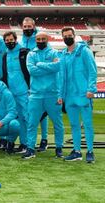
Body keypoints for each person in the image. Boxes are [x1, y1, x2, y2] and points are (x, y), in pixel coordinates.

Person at [23, 32, 64, 159]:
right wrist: (49, 68)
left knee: (57, 123)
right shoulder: (31, 54)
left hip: (52, 94)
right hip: (35, 94)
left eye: (43, 39)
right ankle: (30, 148)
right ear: (36, 40)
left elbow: (58, 66)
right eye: (38, 39)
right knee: (32, 123)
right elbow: (32, 71)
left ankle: (59, 148)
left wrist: (40, 65)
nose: (40, 41)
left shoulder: (54, 53)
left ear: (47, 40)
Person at [59, 27, 97, 163]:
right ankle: (77, 151)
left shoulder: (84, 51)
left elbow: (92, 71)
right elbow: (62, 77)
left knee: (87, 124)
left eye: (70, 35)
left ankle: (90, 151)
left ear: (74, 36)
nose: (67, 38)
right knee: (74, 125)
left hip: (83, 94)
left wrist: (91, 89)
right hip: (69, 96)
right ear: (62, 37)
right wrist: (61, 95)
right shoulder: (63, 54)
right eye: (65, 36)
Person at [20, 17, 49, 152]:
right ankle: (28, 141)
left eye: (29, 26)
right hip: (25, 80)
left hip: (39, 79)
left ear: (34, 26)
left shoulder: (39, 38)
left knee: (43, 111)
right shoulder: (21, 41)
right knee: (30, 112)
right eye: (25, 27)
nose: (27, 29)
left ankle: (44, 139)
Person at [1, 31, 29, 154]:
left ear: (16, 39)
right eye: (6, 40)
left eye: (11, 39)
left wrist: (30, 88)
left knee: (26, 118)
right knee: (15, 119)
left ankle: (27, 144)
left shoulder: (24, 52)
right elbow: (6, 74)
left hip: (24, 92)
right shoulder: (5, 55)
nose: (9, 42)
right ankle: (17, 143)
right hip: (11, 93)